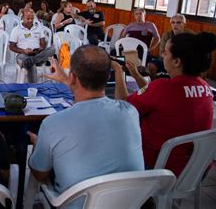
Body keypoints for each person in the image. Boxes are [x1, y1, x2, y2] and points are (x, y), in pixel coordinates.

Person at [28, 46, 144, 208]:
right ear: (107, 77)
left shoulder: (53, 123)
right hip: (127, 203)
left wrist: (36, 144)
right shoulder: (130, 113)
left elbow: (40, 174)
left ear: (73, 77)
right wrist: (70, 81)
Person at [113, 32, 216, 177]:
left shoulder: (164, 87)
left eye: (166, 52)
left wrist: (118, 71)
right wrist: (136, 75)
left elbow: (123, 106)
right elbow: (154, 95)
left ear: (177, 62)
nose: (162, 55)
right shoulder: (204, 86)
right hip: (196, 170)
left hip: (162, 169)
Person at [9, 8, 55, 83]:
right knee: (30, 64)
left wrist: (41, 48)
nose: (30, 20)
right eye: (28, 18)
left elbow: (43, 43)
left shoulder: (38, 27)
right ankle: (33, 87)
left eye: (32, 18)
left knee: (53, 49)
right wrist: (24, 51)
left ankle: (31, 61)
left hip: (37, 54)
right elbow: (11, 47)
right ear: (22, 18)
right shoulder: (16, 30)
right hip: (22, 55)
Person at [148, 14, 194, 79]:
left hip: (185, 60)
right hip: (168, 59)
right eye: (173, 22)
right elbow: (161, 53)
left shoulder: (190, 34)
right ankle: (153, 85)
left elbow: (195, 51)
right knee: (151, 65)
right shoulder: (166, 35)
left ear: (184, 24)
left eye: (178, 22)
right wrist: (171, 60)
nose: (175, 25)